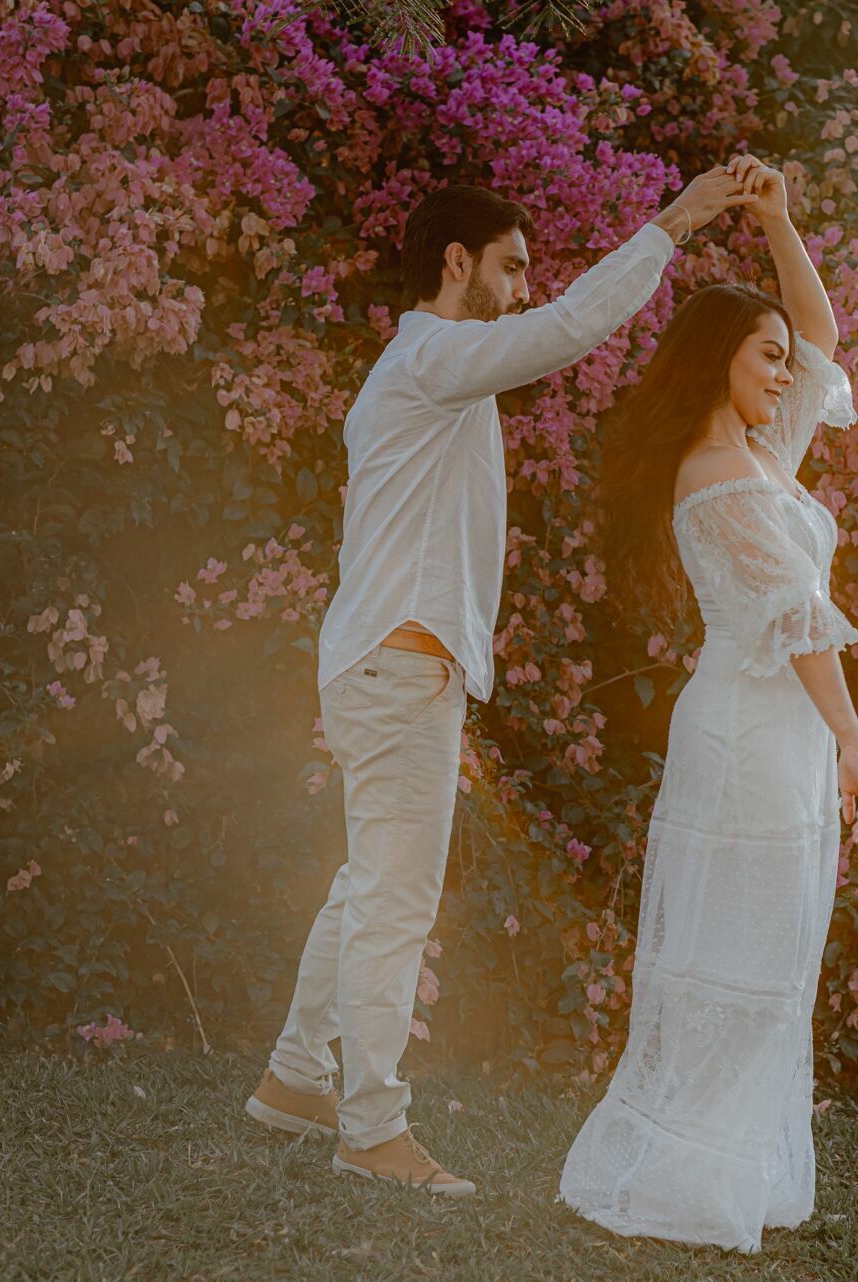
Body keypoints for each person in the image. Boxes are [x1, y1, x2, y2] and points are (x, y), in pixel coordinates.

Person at [243, 167, 760, 1198]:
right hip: (399, 665)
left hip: (382, 663)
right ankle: (371, 1127)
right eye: (511, 266)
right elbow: (569, 328)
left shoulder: (425, 368)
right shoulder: (436, 354)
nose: (523, 287)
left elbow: (546, 325)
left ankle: (296, 1083)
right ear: (456, 263)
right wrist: (680, 221)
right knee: (395, 899)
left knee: (366, 884)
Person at [558, 153, 858, 1251]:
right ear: (718, 365)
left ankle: (734, 1162)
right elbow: (795, 621)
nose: (789, 375)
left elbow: (824, 338)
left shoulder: (763, 455)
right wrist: (854, 742)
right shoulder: (717, 476)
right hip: (749, 736)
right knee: (731, 962)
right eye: (767, 359)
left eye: (784, 363)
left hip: (775, 739)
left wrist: (780, 223)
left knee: (773, 959)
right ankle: (686, 1178)